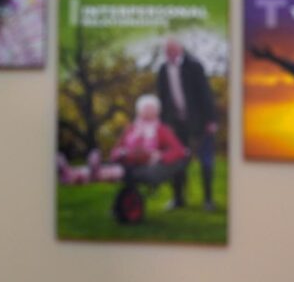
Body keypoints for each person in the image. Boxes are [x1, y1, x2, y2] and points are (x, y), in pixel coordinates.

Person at [57, 95, 186, 186]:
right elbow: (116, 149)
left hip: (143, 163)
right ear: (139, 111)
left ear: (157, 112)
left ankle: (73, 175)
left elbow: (179, 150)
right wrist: (120, 153)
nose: (147, 112)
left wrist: (160, 156)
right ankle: (72, 173)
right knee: (110, 166)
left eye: (151, 109)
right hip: (125, 158)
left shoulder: (161, 129)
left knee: (119, 170)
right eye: (145, 109)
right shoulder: (132, 128)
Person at [156, 39, 218, 211]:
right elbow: (162, 97)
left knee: (206, 162)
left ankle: (208, 200)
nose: (170, 53)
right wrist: (164, 123)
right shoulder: (162, 70)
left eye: (173, 49)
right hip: (176, 125)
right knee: (177, 161)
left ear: (180, 49)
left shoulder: (194, 66)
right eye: (167, 50)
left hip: (200, 122)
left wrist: (211, 120)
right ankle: (178, 199)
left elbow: (206, 94)